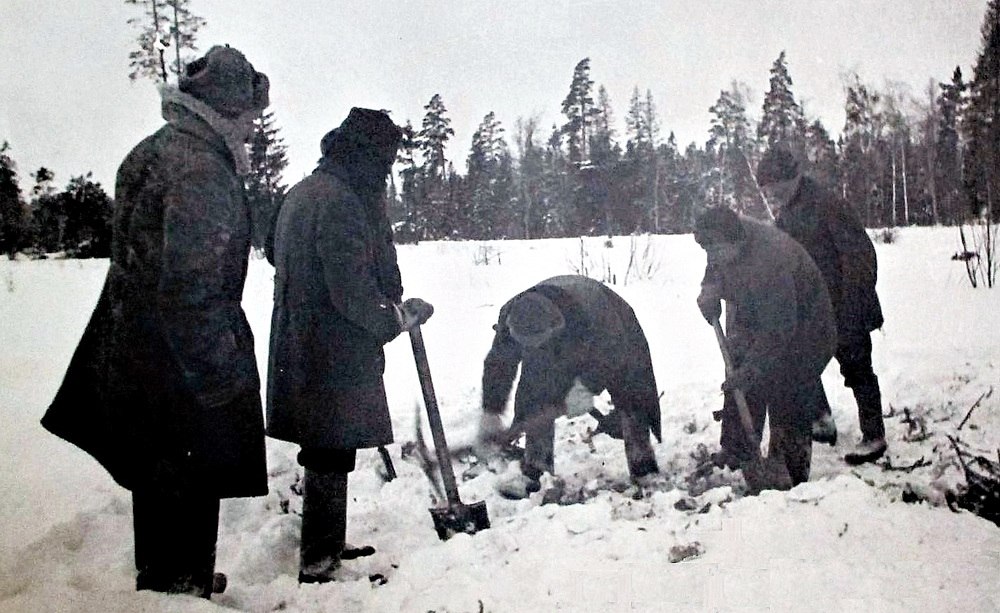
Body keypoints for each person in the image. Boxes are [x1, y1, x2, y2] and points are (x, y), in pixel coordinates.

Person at [41, 45, 271, 598]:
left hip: (136, 353)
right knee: (191, 476)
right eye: (249, 121)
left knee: (159, 477)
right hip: (180, 368)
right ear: (228, 112)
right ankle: (181, 587)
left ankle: (166, 576)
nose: (252, 133)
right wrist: (219, 378)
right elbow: (190, 291)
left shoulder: (152, 152)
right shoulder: (204, 173)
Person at [266, 108, 433, 584]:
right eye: (386, 158)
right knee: (328, 448)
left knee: (328, 447)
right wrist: (395, 318)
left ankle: (328, 545)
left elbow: (278, 253)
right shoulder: (341, 200)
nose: (389, 167)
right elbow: (351, 289)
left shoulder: (304, 192)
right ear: (366, 154)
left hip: (303, 342)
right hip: (331, 348)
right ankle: (318, 561)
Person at [757, 143, 888, 465]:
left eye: (777, 187)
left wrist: (852, 305)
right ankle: (821, 420)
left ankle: (874, 436)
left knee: (858, 369)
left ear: (795, 177)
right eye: (768, 190)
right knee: (797, 361)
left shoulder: (828, 205)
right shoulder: (787, 216)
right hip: (814, 310)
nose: (773, 194)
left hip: (846, 305)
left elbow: (860, 256)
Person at [477, 275, 662, 499]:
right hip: (562, 332)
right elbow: (499, 364)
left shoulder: (598, 315)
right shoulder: (512, 315)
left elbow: (613, 356)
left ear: (555, 328)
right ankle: (536, 469)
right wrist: (491, 411)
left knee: (633, 390)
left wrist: (585, 387)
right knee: (536, 393)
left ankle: (643, 465)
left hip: (612, 326)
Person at [695, 206, 836, 487]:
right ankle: (736, 447)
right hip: (760, 316)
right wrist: (709, 292)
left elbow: (779, 330)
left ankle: (790, 465)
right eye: (707, 251)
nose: (712, 257)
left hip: (808, 329)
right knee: (739, 367)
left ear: (737, 242)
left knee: (786, 385)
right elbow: (714, 268)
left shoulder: (771, 260)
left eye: (716, 251)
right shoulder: (724, 238)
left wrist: (752, 370)